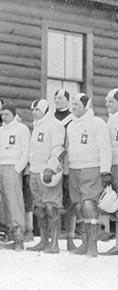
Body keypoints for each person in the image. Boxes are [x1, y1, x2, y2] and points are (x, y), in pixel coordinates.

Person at [66, 93, 112, 257]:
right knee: (78, 206)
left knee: (88, 205)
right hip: (74, 169)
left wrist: (105, 171)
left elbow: (105, 149)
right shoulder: (71, 125)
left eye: (77, 104)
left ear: (86, 106)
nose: (73, 107)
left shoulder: (97, 123)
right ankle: (85, 242)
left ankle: (93, 245)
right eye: (72, 104)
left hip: (91, 168)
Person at [26, 99, 65, 254]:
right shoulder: (36, 126)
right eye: (33, 109)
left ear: (45, 110)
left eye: (37, 109)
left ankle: (54, 243)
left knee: (51, 207)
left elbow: (58, 148)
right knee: (39, 208)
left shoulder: (55, 125)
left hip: (47, 172)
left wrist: (50, 168)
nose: (34, 112)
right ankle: (43, 241)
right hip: (34, 171)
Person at [0, 103, 30, 250]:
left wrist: (17, 169)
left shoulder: (22, 129)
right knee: (0, 200)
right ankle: (5, 230)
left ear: (14, 114)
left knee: (14, 200)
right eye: (2, 114)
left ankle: (18, 232)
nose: (4, 117)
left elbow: (26, 151)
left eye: (7, 114)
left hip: (12, 167)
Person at [53, 89, 76, 250]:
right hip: (53, 165)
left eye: (61, 98)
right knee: (52, 200)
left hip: (68, 165)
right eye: (56, 98)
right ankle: (52, 237)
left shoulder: (73, 119)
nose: (58, 100)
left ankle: (70, 237)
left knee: (69, 203)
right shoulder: (50, 119)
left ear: (67, 100)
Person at [103, 88, 118, 255]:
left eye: (111, 102)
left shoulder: (115, 120)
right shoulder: (111, 119)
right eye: (106, 101)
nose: (107, 105)